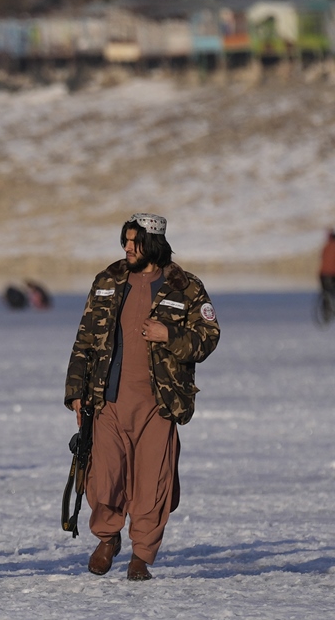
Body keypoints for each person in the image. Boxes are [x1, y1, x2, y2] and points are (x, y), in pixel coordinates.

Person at [65, 213, 220, 581]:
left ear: (154, 244)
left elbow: (209, 336)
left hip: (159, 403)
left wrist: (170, 336)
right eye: (125, 241)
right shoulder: (108, 280)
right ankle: (107, 539)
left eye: (134, 242)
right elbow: (84, 339)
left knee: (152, 483)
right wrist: (76, 393)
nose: (127, 248)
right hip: (108, 399)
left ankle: (142, 554)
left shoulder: (185, 286)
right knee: (105, 477)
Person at [320, 228, 335, 298]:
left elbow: (322, 257)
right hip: (332, 274)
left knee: (327, 293)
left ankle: (328, 307)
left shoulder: (326, 246)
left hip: (324, 274)